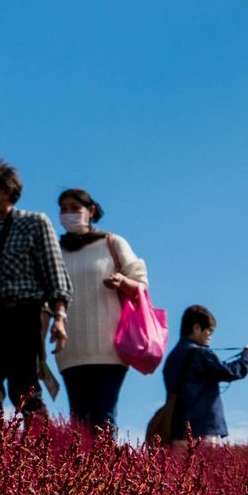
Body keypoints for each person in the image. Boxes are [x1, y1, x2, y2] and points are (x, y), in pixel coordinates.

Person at [0, 157, 67, 425]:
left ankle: (40, 445)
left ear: (6, 188)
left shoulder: (34, 223)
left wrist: (59, 318)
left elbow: (54, 273)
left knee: (25, 391)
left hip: (23, 315)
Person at [51, 186, 152, 436]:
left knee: (103, 417)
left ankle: (104, 462)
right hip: (70, 350)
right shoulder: (55, 251)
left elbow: (141, 284)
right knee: (79, 421)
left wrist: (123, 282)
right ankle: (84, 463)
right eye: (64, 209)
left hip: (109, 348)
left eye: (75, 208)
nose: (69, 214)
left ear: (91, 211)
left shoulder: (112, 243)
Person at [155, 305, 248, 443]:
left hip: (176, 430)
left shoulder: (172, 358)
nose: (210, 336)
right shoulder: (200, 354)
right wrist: (246, 359)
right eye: (209, 330)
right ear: (197, 328)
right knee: (206, 458)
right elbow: (229, 372)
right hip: (202, 429)